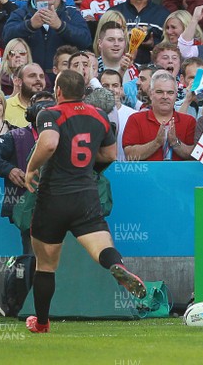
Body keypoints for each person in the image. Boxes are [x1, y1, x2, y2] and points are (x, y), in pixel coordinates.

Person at [23, 69, 147, 333]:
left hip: (53, 197)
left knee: (46, 265)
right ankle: (118, 266)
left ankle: (42, 323)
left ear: (58, 91)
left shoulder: (51, 113)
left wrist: (31, 168)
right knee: (102, 249)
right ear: (83, 92)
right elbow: (110, 153)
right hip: (85, 195)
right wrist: (89, 165)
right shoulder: (100, 116)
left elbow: (48, 143)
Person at [0, 92, 56, 255]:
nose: (45, 111)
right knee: (32, 256)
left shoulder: (65, 135)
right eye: (39, 107)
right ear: (30, 112)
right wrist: (9, 170)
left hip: (59, 205)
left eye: (50, 107)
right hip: (27, 208)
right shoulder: (16, 136)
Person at [3, 0, 91, 83]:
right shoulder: (21, 13)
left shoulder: (71, 14)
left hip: (64, 83)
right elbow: (6, 37)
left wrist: (60, 26)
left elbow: (86, 40)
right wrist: (30, 25)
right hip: (29, 83)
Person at [122, 70, 195, 161]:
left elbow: (194, 155)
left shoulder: (189, 121)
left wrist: (175, 143)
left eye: (170, 93)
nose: (165, 96)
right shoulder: (136, 119)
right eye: (159, 92)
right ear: (151, 94)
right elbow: (129, 155)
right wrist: (156, 143)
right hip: (146, 175)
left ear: (176, 95)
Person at [109, 0, 170, 65]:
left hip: (153, 70)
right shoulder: (114, 13)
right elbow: (102, 41)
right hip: (118, 67)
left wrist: (154, 44)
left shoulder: (163, 14)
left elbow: (171, 46)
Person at [100, 69, 137, 161]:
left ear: (121, 89)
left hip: (125, 171)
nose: (111, 89)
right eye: (105, 86)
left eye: (115, 85)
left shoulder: (134, 116)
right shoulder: (92, 115)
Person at [5, 63, 46, 128]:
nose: (38, 79)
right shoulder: (4, 107)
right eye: (32, 76)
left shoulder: (52, 107)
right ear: (19, 82)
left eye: (42, 76)